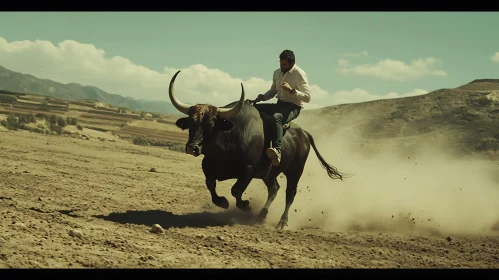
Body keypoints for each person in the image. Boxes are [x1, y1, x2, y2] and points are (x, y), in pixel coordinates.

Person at [253, 49, 311, 167]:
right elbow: (274, 90)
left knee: (277, 117)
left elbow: (307, 97)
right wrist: (263, 97)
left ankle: (277, 150)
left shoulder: (299, 74)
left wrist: (292, 90)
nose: (281, 66)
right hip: (279, 104)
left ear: (292, 63)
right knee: (254, 108)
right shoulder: (277, 72)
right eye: (280, 63)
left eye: (284, 64)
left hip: (293, 107)